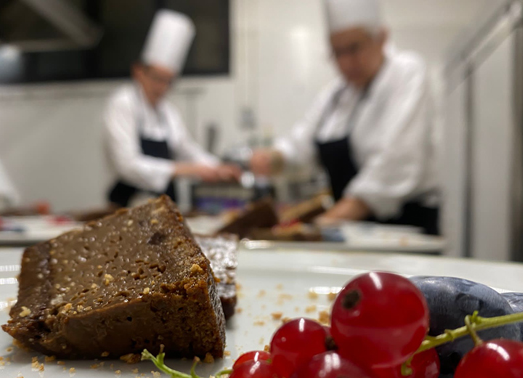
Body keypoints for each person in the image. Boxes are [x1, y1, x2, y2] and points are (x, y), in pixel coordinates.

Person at [249, 0, 440, 234]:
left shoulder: (407, 73)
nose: (345, 62)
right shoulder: (336, 94)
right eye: (337, 52)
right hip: (352, 231)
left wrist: (325, 222)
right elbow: (300, 145)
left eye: (354, 49)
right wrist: (273, 157)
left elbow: (395, 164)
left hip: (404, 229)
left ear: (381, 38)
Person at [104, 9, 240, 207]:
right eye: (157, 79)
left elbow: (187, 149)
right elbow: (127, 165)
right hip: (125, 209)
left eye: (169, 81)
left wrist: (216, 168)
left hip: (164, 209)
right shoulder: (122, 103)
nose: (162, 88)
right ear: (139, 71)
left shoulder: (167, 111)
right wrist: (186, 170)